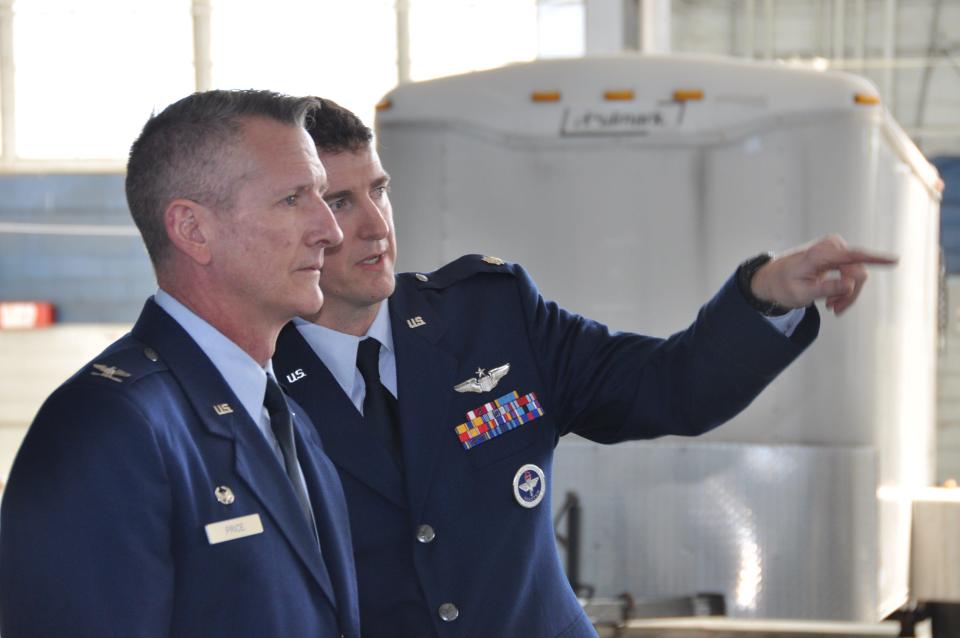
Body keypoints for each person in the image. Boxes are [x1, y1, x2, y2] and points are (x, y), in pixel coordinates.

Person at [271, 99, 895, 638]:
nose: (376, 225)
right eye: (340, 202)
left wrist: (766, 294)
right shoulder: (254, 375)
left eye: (379, 190)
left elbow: (673, 388)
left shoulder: (491, 312)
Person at [0, 90, 361, 638]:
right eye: (292, 199)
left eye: (321, 196)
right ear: (193, 230)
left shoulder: (287, 418)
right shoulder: (109, 428)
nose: (329, 230)